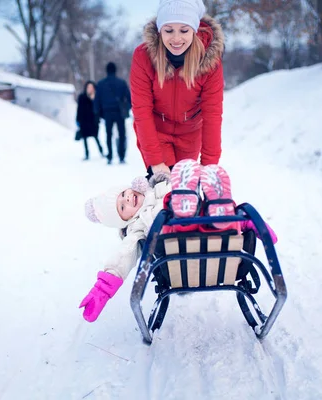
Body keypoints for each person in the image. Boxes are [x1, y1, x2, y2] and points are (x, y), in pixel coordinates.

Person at [79, 159, 278, 323]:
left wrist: (253, 225)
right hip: (180, 245)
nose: (128, 199)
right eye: (122, 207)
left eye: (124, 194)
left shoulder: (158, 189)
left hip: (203, 241)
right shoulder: (136, 227)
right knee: (168, 211)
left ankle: (212, 208)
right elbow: (123, 256)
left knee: (214, 213)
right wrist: (102, 289)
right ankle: (186, 206)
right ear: (123, 221)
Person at [129, 0, 225, 178]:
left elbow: (212, 114)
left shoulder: (209, 62)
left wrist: (209, 165)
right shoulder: (143, 57)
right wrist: (155, 160)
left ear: (194, 30)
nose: (176, 39)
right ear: (159, 30)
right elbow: (141, 111)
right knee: (164, 190)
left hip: (190, 134)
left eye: (184, 30)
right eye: (168, 30)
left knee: (185, 188)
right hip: (156, 133)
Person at [94, 62, 131, 165]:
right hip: (119, 112)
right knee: (122, 134)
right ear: (115, 70)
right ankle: (121, 156)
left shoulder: (101, 84)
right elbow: (129, 98)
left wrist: (98, 113)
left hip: (107, 113)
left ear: (106, 70)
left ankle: (110, 156)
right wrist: (127, 108)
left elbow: (97, 100)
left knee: (108, 134)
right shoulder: (122, 83)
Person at [76, 80, 104, 161]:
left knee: (96, 136)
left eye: (91, 87)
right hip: (84, 121)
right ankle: (87, 154)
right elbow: (79, 109)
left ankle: (101, 151)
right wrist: (77, 120)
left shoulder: (96, 97)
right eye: (88, 87)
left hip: (93, 121)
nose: (90, 89)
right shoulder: (82, 97)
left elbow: (99, 109)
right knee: (84, 138)